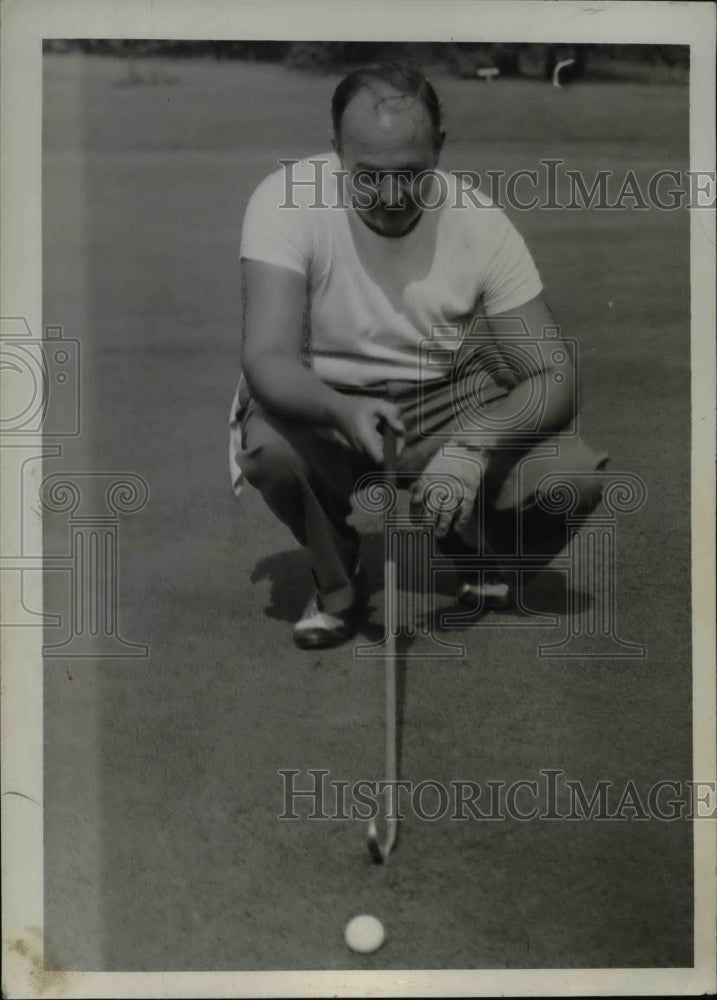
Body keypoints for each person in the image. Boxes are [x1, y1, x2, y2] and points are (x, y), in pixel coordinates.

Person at [229, 63, 608, 650]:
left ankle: (475, 546)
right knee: (270, 448)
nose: (390, 197)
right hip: (324, 396)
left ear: (439, 149)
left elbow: (554, 374)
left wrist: (471, 447)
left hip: (445, 399)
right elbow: (267, 358)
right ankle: (338, 583)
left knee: (573, 473)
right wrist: (339, 411)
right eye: (368, 176)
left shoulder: (480, 221)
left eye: (410, 173)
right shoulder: (284, 201)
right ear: (336, 151)